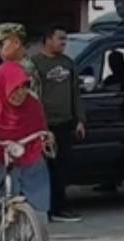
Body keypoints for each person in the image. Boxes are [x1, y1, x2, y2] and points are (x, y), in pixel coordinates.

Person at [0, 58, 55, 241]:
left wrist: (45, 138)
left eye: (23, 87)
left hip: (30, 162)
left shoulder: (33, 106)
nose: (19, 94)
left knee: (39, 223)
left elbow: (41, 130)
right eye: (14, 88)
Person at [32, 25, 86, 223]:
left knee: (63, 167)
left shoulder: (68, 63)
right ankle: (43, 208)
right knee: (43, 168)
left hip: (65, 123)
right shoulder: (35, 64)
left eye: (65, 39)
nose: (64, 43)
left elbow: (75, 93)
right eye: (60, 39)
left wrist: (80, 119)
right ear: (47, 39)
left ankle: (60, 207)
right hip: (43, 125)